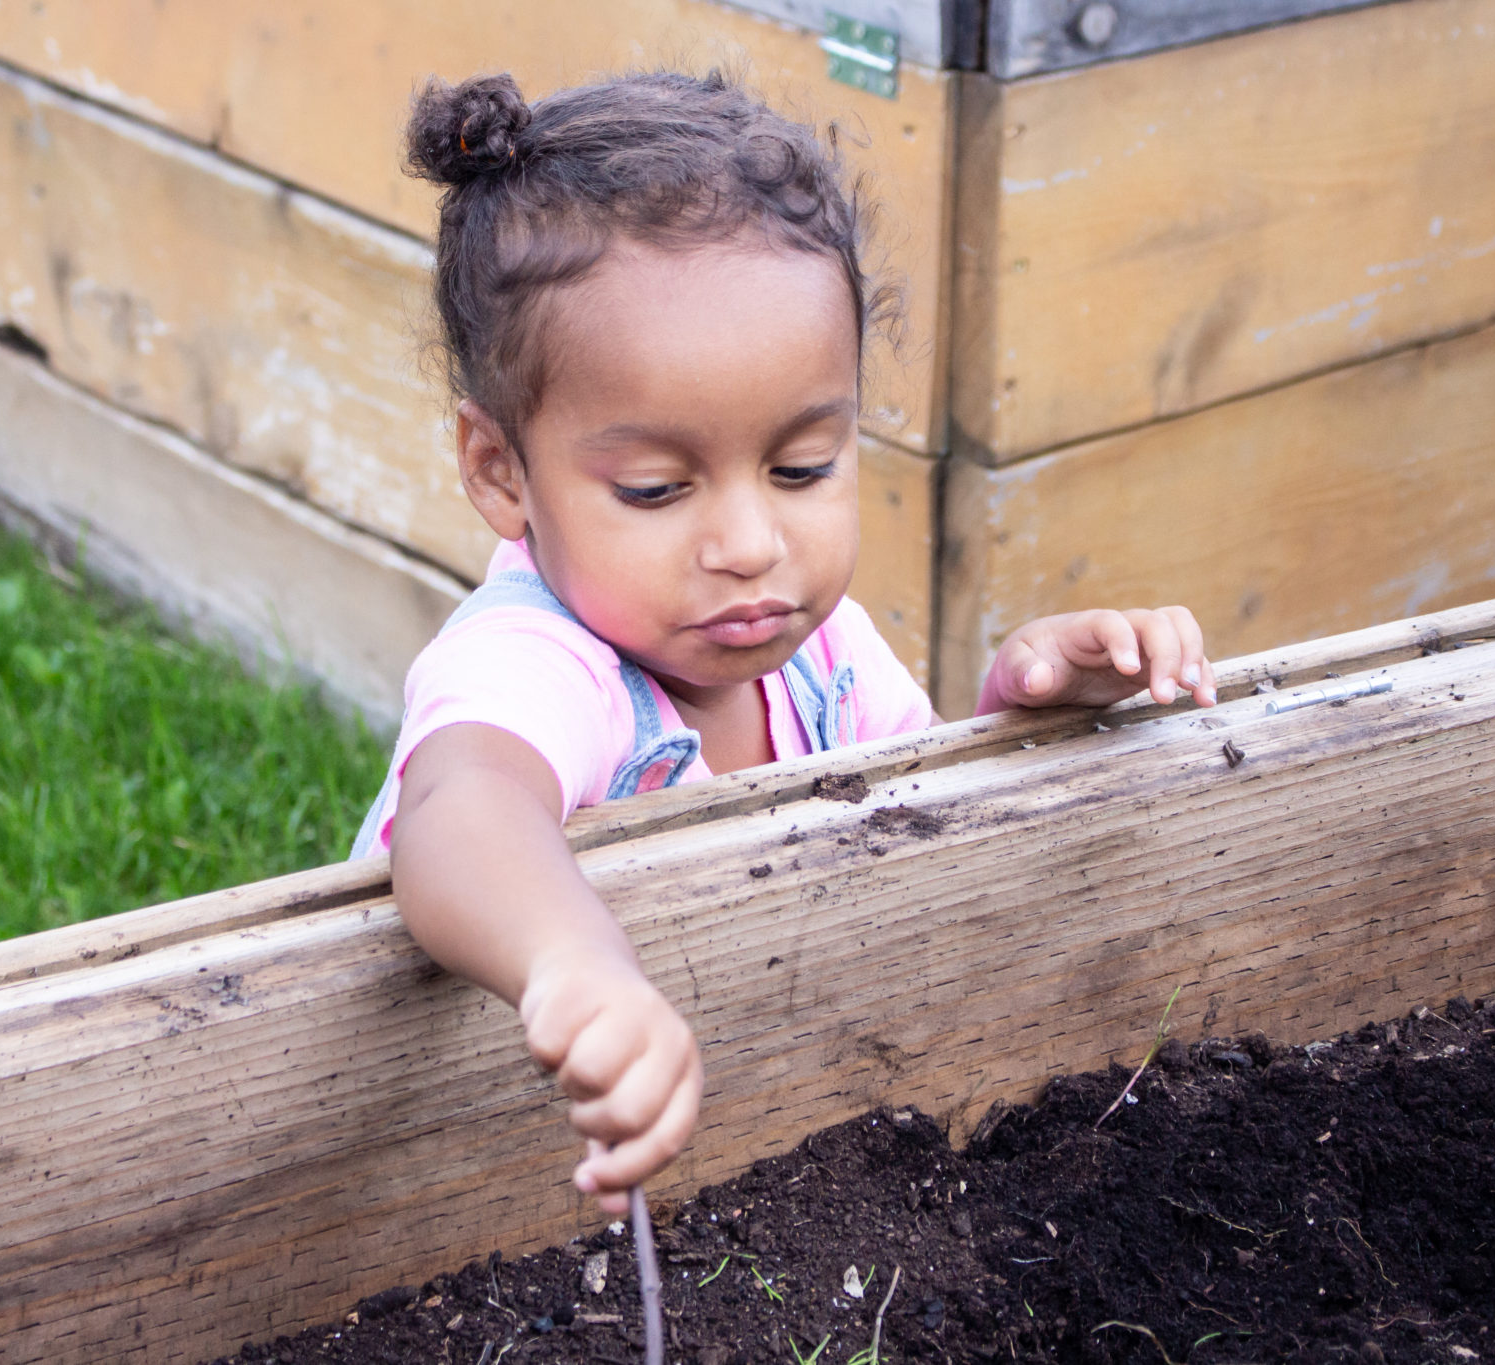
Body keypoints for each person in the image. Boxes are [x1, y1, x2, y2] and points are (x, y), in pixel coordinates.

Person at [356, 70, 1217, 1214]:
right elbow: (461, 815)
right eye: (658, 489)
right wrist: (571, 964)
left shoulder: (820, 650)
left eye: (802, 468)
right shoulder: (533, 659)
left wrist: (1025, 717)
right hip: (457, 1167)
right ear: (499, 469)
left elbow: (906, 832)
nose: (751, 544)